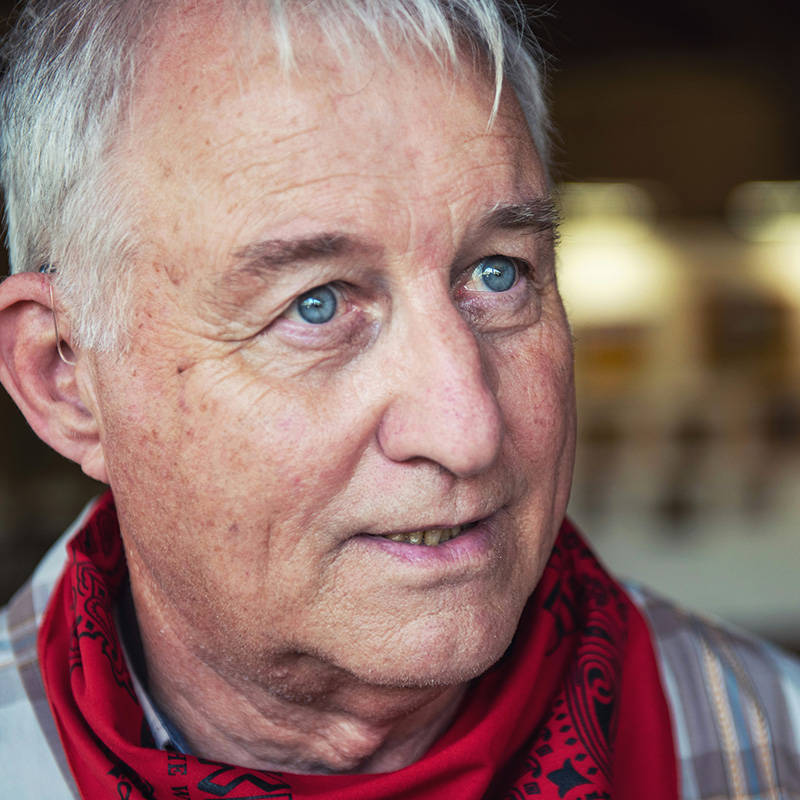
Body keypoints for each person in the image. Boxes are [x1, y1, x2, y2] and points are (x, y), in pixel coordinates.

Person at [0, 1, 797, 798]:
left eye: (499, 274)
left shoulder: (774, 750)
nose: (467, 430)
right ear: (63, 378)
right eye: (315, 305)